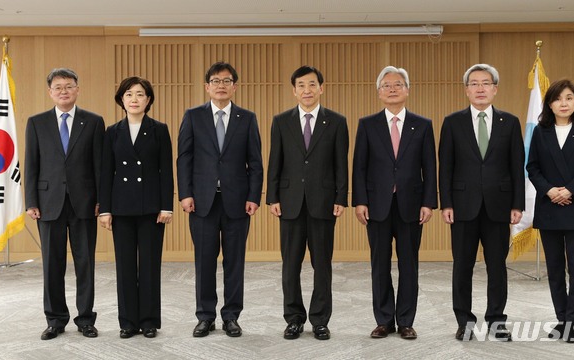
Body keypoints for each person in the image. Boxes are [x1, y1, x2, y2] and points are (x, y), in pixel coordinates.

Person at [438, 64, 525, 341]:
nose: (480, 88)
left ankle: (497, 321)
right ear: (466, 90)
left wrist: (517, 204)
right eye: (474, 83)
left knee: (496, 267)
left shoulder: (509, 122)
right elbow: (446, 167)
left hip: (499, 207)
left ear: (495, 89)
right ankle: (464, 321)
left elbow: (516, 166)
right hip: (462, 206)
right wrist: (446, 203)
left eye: (485, 83)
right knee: (462, 265)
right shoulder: (452, 122)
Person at [176, 62, 263, 338]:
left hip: (238, 201)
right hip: (202, 201)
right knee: (204, 261)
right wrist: (185, 193)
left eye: (227, 81)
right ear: (207, 87)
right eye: (216, 81)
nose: (221, 85)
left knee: (234, 261)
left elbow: (256, 162)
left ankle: (231, 316)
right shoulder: (193, 116)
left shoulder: (247, 118)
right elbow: (184, 158)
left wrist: (253, 196)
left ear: (235, 86)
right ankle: (205, 316)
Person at [352, 66, 437, 340]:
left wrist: (429, 202)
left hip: (412, 204)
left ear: (407, 90)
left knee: (409, 263)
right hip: (376, 204)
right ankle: (384, 320)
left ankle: (406, 321)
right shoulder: (367, 124)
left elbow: (430, 167)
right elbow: (359, 167)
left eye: (398, 84)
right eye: (387, 85)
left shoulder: (423, 125)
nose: (392, 89)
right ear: (379, 92)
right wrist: (359, 201)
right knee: (380, 263)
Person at [266, 65, 349, 341]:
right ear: (294, 90)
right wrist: (273, 196)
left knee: (322, 264)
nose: (307, 90)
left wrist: (340, 197)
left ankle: (320, 320)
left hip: (323, 202)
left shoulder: (336, 121)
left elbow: (341, 164)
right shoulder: (281, 121)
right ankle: (293, 318)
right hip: (289, 202)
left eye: (312, 85)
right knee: (290, 264)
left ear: (321, 88)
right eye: (301, 85)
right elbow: (274, 162)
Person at [24, 68, 105, 340]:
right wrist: (31, 201)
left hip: (84, 203)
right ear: (50, 92)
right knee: (52, 264)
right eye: (58, 87)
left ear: (77, 89)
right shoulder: (36, 123)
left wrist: (101, 201)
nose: (63, 91)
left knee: (85, 263)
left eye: (68, 86)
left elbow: (99, 166)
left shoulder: (94, 122)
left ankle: (85, 319)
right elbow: (32, 164)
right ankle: (55, 320)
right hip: (48, 204)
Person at [98, 77, 173, 339]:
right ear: (121, 99)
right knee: (125, 266)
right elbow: (106, 172)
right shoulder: (112, 131)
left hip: (152, 208)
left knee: (150, 265)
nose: (134, 99)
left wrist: (167, 206)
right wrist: (105, 209)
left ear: (148, 100)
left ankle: (150, 320)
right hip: (121, 208)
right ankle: (128, 321)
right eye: (128, 94)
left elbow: (166, 171)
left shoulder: (159, 129)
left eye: (140, 94)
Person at [526, 79, 574, 343]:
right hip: (549, 208)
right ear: (550, 104)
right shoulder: (540, 132)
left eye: (569, 97)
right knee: (555, 270)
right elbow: (532, 167)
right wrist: (550, 191)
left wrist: (569, 191)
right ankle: (562, 320)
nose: (564, 103)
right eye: (558, 99)